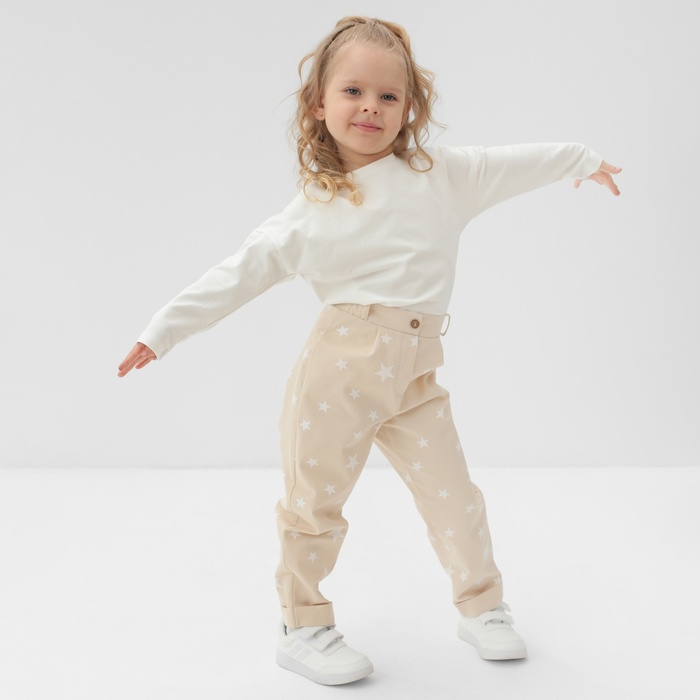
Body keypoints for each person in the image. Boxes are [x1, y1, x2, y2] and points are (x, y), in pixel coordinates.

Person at [118, 16, 621, 686]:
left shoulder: (443, 176)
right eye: (352, 91)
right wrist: (162, 331)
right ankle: (302, 625)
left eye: (389, 96)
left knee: (455, 496)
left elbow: (515, 162)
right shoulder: (312, 210)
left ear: (409, 108)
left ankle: (482, 606)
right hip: (339, 374)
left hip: (415, 376)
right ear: (317, 104)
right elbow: (237, 274)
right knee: (314, 505)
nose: (370, 107)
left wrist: (582, 159)